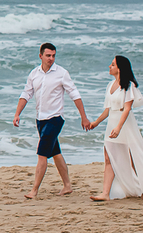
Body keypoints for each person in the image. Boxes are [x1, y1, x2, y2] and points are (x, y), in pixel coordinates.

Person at [13, 42, 92, 198]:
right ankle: (67, 186)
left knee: (42, 153)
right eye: (48, 55)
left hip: (55, 119)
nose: (51, 58)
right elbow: (26, 94)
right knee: (55, 152)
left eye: (53, 56)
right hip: (40, 119)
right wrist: (17, 113)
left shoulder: (61, 73)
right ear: (41, 56)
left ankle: (34, 190)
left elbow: (75, 95)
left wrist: (84, 117)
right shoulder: (34, 73)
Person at [88, 55, 143, 201]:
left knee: (132, 157)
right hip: (112, 124)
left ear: (120, 68)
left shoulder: (128, 85)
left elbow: (127, 109)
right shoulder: (110, 86)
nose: (109, 66)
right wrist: (96, 123)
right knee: (108, 158)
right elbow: (108, 109)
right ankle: (105, 193)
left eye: (112, 64)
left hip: (124, 125)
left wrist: (118, 128)